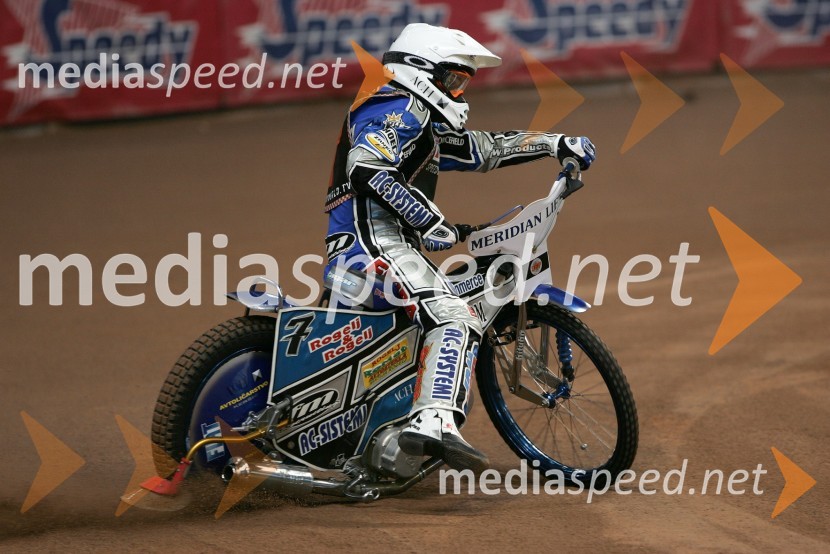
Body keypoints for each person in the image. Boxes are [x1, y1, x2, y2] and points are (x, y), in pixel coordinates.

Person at [323, 23, 596, 472]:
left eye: (464, 81)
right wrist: (427, 219)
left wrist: (552, 142)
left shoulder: (422, 123)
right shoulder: (398, 106)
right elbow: (367, 170)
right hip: (367, 243)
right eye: (453, 78)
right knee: (454, 314)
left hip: (385, 244)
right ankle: (433, 424)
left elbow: (484, 149)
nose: (458, 89)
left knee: (440, 311)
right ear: (419, 71)